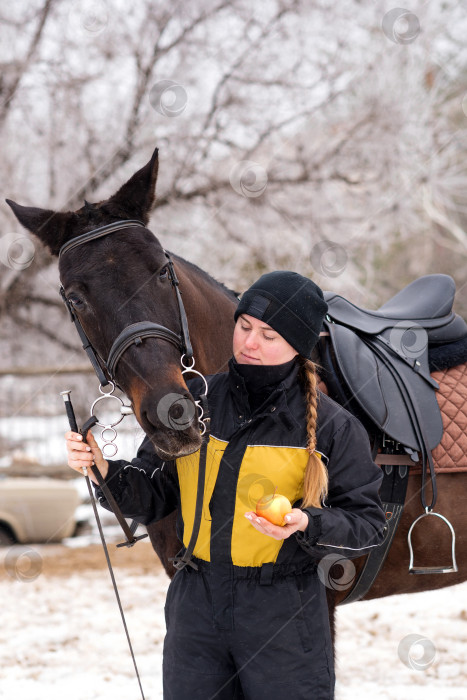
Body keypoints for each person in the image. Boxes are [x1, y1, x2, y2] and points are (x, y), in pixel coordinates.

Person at [65, 271, 386, 700]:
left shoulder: (332, 427)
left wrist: (305, 523)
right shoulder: (192, 404)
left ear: (298, 343)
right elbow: (155, 493)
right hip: (197, 609)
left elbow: (367, 524)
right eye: (245, 326)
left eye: (269, 335)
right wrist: (104, 470)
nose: (249, 343)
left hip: (284, 616)